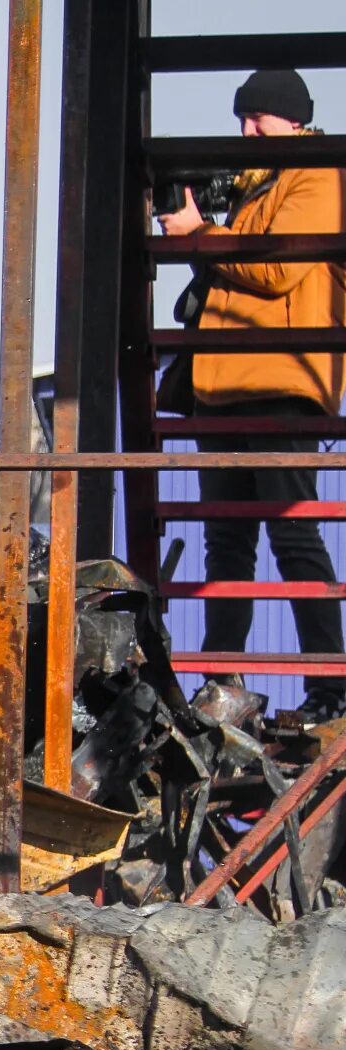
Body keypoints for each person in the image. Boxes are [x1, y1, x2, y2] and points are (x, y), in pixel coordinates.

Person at [158, 68, 346, 721]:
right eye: (243, 118)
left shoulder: (318, 173)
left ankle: (330, 687)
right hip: (225, 384)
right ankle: (222, 688)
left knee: (293, 533)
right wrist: (202, 236)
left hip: (281, 382)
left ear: (295, 120)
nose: (248, 130)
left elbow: (276, 266)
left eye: (260, 118)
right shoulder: (254, 186)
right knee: (228, 544)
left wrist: (199, 235)